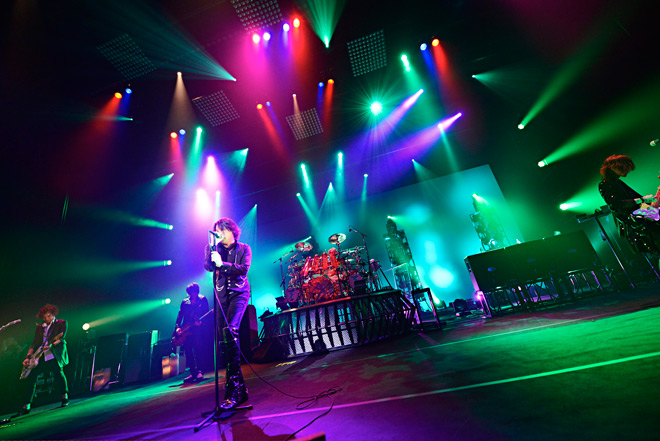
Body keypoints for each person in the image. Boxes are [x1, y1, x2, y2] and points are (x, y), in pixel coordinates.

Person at [204, 217, 251, 410]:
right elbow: (208, 267)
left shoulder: (244, 248)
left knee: (230, 332)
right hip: (221, 296)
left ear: (231, 231)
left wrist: (222, 264)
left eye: (222, 230)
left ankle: (232, 391)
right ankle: (240, 390)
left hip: (239, 294)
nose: (219, 234)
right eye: (216, 231)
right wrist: (211, 253)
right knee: (225, 341)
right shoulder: (214, 249)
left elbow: (243, 269)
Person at [599, 154, 660, 252]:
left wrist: (656, 196)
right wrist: (643, 200)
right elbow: (616, 205)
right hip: (635, 224)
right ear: (614, 168)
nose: (627, 170)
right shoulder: (605, 185)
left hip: (641, 219)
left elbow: (647, 204)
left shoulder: (618, 182)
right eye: (625, 167)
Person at [16, 304, 69, 416]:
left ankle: (64, 396)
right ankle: (27, 404)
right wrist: (28, 357)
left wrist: (51, 345)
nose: (46, 319)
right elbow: (34, 343)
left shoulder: (61, 323)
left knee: (58, 373)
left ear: (53, 314)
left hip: (54, 353)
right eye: (44, 317)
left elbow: (61, 338)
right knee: (32, 377)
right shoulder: (40, 327)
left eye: (48, 316)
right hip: (41, 354)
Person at [174, 282, 209, 383]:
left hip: (197, 328)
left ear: (197, 291)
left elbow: (206, 313)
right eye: (190, 292)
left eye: (193, 292)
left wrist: (201, 322)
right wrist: (178, 327)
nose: (191, 294)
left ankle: (200, 371)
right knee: (188, 350)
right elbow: (180, 315)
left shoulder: (202, 299)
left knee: (198, 349)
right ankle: (192, 372)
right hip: (186, 329)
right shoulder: (184, 301)